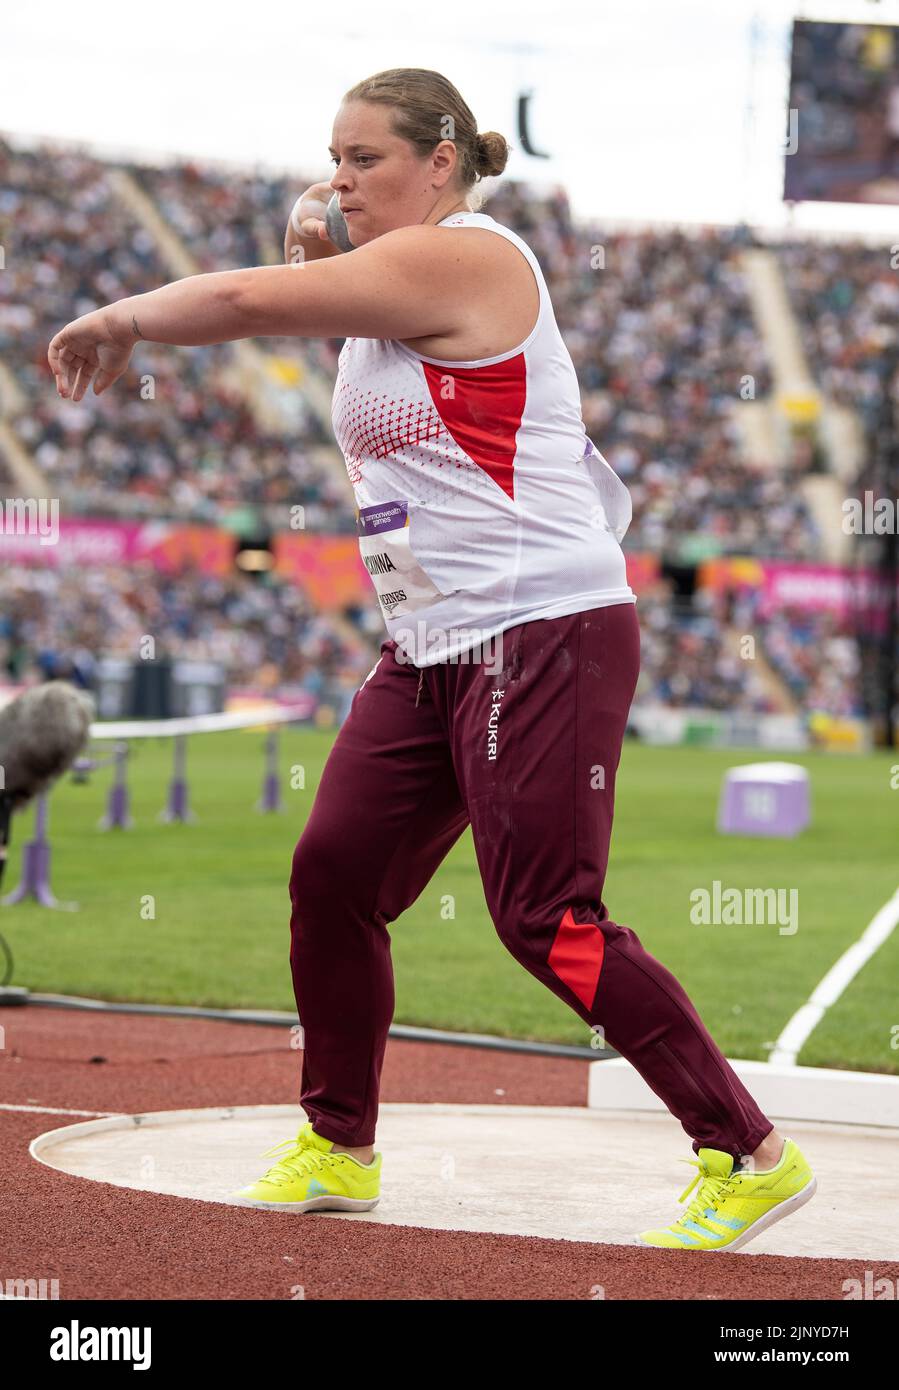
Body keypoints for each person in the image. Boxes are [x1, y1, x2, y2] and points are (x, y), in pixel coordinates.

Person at [48, 67, 815, 1252]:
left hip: (538, 625)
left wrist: (127, 315)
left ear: (443, 164)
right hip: (432, 641)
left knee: (545, 919)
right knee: (335, 871)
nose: (343, 178)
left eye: (368, 159)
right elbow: (316, 287)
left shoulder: (468, 256)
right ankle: (337, 1145)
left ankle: (745, 1149)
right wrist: (321, 223)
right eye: (334, 156)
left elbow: (256, 304)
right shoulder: (375, 286)